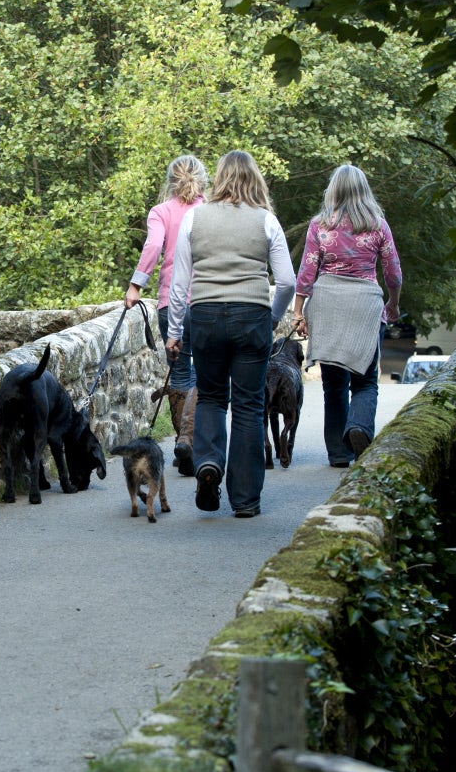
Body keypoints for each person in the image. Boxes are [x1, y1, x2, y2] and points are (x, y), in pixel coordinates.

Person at [167, 151, 295, 518]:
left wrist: (174, 332)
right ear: (255, 179)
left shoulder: (194, 217)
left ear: (219, 178)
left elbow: (179, 285)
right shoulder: (266, 221)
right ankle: (245, 499)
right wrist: (271, 318)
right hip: (252, 316)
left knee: (210, 397)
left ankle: (208, 463)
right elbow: (286, 281)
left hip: (204, 316)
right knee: (249, 406)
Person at [290, 164, 402, 466]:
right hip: (365, 305)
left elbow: (307, 270)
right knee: (365, 382)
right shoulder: (378, 224)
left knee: (334, 385)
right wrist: (393, 303)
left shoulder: (320, 225)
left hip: (327, 304)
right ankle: (359, 428)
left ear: (333, 190)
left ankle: (338, 453)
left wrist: (298, 311)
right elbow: (393, 273)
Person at [125, 154, 208, 476]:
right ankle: (195, 442)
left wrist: (135, 286)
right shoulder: (211, 210)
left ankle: (182, 443)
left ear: (169, 181)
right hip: (207, 301)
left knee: (182, 375)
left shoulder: (161, 212)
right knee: (206, 375)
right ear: (203, 178)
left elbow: (153, 246)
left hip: (170, 303)